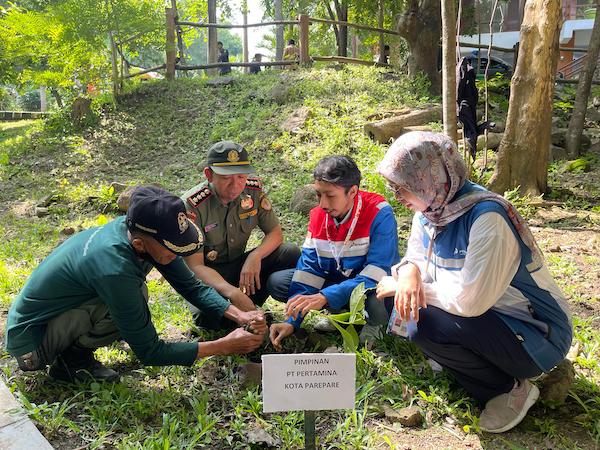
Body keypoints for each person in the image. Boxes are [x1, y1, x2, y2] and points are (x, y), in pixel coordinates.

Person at [375, 131, 572, 433]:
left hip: (536, 333)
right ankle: (464, 361)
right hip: (488, 319)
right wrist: (408, 273)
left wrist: (411, 286)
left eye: (403, 188)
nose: (398, 197)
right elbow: (413, 258)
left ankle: (508, 388)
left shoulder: (486, 218)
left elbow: (471, 301)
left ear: (428, 180)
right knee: (399, 295)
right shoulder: (431, 212)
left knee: (422, 321)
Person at [5, 186, 266, 383]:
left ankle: (74, 349)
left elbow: (192, 287)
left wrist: (239, 314)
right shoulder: (115, 268)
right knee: (133, 297)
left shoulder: (140, 233)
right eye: (172, 249)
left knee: (132, 299)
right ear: (140, 244)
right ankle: (70, 363)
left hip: (58, 315)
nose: (177, 256)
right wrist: (223, 346)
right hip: (32, 344)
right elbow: (150, 351)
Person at [269, 156, 400, 350]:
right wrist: (291, 321)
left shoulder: (379, 213)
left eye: (330, 196)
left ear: (353, 191)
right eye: (318, 195)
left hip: (372, 287)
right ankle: (344, 315)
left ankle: (374, 324)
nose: (322, 204)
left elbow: (378, 272)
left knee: (378, 299)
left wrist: (325, 297)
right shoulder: (318, 215)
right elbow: (309, 270)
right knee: (279, 283)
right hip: (337, 284)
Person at [181, 141, 301, 327]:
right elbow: (196, 266)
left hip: (239, 266)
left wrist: (255, 256)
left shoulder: (253, 191)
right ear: (209, 175)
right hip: (207, 276)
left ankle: (250, 305)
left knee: (290, 252)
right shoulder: (192, 206)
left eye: (241, 177)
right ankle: (242, 307)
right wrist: (232, 292)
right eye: (226, 178)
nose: (235, 185)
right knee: (206, 318)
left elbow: (275, 233)